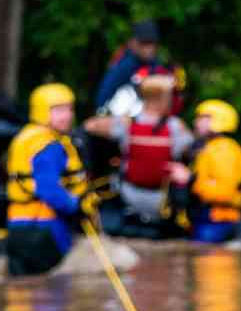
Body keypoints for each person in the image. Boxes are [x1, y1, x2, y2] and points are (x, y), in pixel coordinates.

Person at [81, 69, 191, 232]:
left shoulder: (127, 124)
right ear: (163, 98)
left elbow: (89, 125)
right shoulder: (175, 126)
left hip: (133, 197)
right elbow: (192, 149)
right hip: (157, 201)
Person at [0, 82, 93, 277]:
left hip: (18, 226)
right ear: (42, 111)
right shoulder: (49, 146)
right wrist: (77, 206)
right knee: (50, 298)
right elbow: (49, 189)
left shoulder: (26, 136)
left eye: (69, 109)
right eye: (58, 110)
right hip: (43, 228)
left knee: (22, 296)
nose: (67, 115)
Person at [171, 99, 241, 243]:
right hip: (208, 218)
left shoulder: (223, 150)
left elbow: (224, 192)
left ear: (218, 120)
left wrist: (190, 179)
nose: (196, 122)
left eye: (203, 118)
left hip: (219, 220)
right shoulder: (210, 148)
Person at [93, 18, 175, 114]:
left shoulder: (155, 64)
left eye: (152, 43)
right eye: (144, 43)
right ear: (133, 43)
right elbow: (102, 99)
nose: (149, 48)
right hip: (119, 118)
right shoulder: (124, 65)